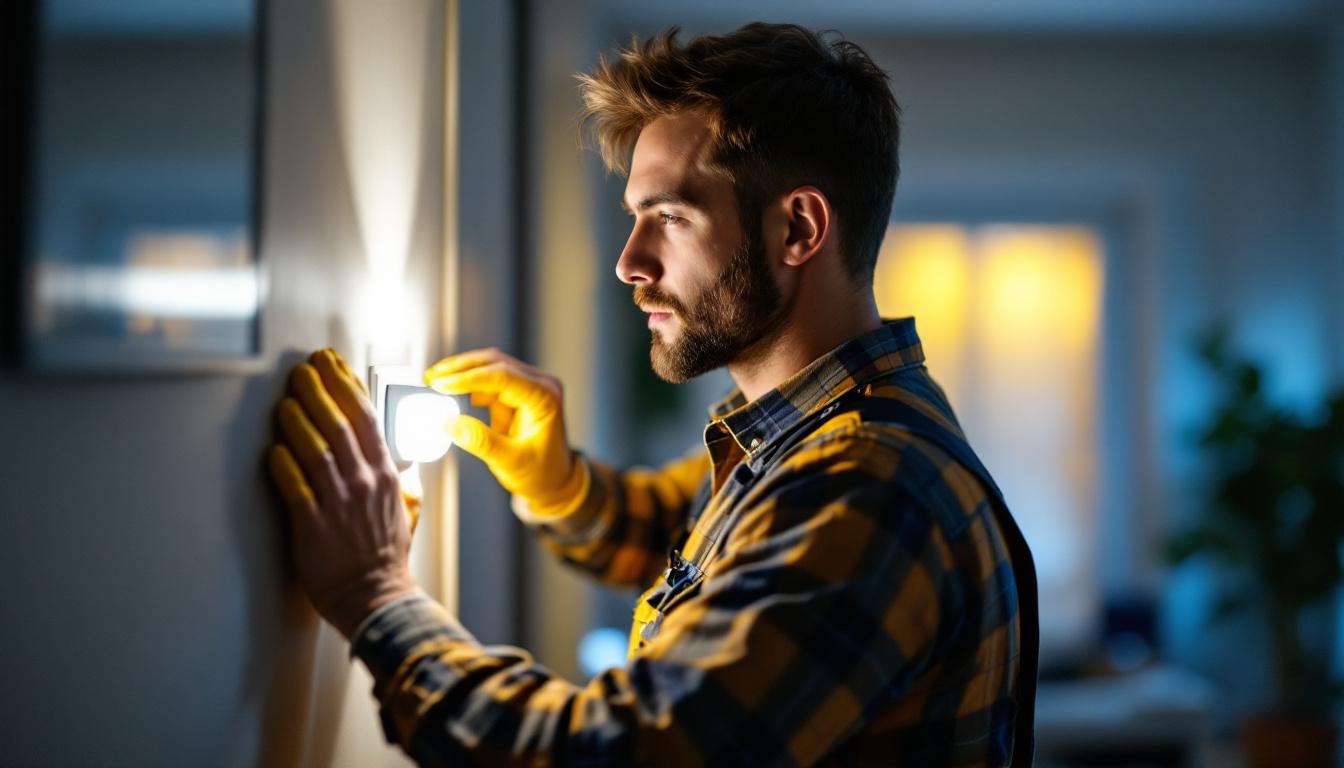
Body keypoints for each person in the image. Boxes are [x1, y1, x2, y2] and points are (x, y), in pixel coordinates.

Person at [268, 23, 1038, 767]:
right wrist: (560, 486)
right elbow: (679, 534)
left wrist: (376, 595)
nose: (629, 263)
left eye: (669, 217)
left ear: (799, 229)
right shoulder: (804, 439)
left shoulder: (866, 486)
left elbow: (617, 755)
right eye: (638, 217)